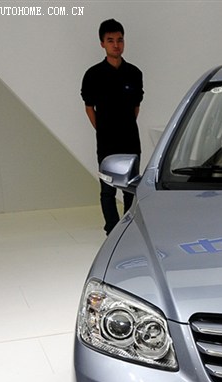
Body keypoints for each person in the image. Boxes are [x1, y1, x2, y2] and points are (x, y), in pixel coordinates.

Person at [81, 19, 143, 234]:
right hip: (106, 141)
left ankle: (128, 230)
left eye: (120, 40)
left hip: (130, 139)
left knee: (130, 188)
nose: (116, 45)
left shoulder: (134, 73)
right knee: (107, 190)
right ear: (102, 44)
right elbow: (89, 108)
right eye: (110, 40)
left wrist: (125, 125)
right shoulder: (93, 75)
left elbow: (136, 107)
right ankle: (112, 231)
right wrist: (102, 129)